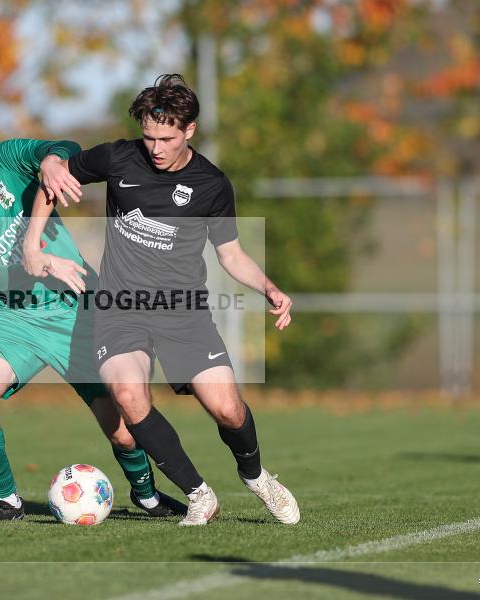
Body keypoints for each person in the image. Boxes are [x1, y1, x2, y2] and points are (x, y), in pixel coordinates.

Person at [23, 74, 300, 526]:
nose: (155, 147)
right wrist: (33, 240)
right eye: (149, 136)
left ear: (189, 130)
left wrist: (268, 287)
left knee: (228, 410)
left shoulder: (211, 184)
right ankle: (198, 494)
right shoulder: (119, 157)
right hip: (119, 308)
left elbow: (230, 253)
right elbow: (54, 178)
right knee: (128, 395)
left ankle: (256, 476)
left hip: (182, 312)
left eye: (166, 138)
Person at [0, 101, 184, 521]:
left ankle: (146, 495)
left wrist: (55, 162)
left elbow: (63, 145)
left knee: (121, 426)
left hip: (75, 306)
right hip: (16, 315)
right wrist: (38, 264)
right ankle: (7, 501)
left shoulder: (5, 158)